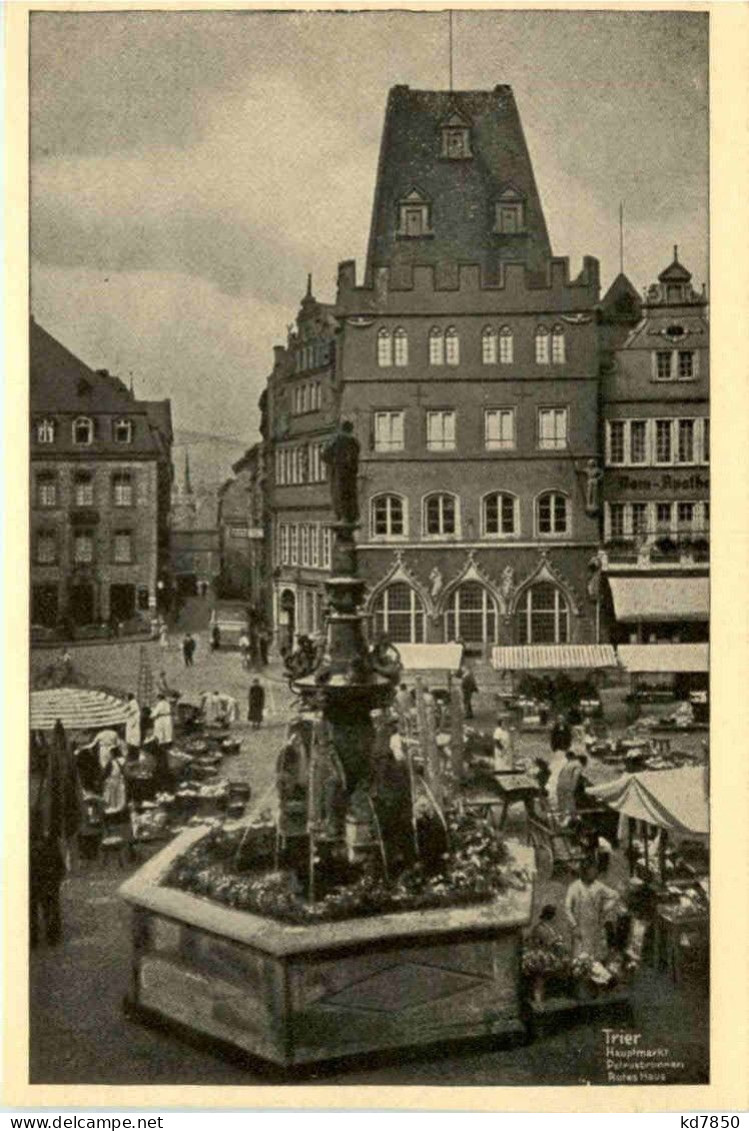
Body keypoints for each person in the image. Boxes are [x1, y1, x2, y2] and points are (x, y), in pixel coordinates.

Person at [565, 858, 620, 960]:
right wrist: (574, 925)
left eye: (595, 871)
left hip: (594, 925)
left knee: (594, 955)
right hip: (580, 926)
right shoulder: (574, 887)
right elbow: (567, 909)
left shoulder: (598, 886)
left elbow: (615, 895)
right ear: (585, 872)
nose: (595, 874)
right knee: (579, 956)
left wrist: (604, 910)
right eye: (592, 871)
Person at [321, 420, 361, 524]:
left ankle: (341, 517)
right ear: (351, 430)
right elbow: (355, 458)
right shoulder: (355, 442)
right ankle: (351, 517)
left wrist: (333, 462)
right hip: (351, 473)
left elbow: (325, 454)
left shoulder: (336, 440)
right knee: (351, 494)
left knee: (339, 493)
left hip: (339, 471)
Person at [555, 748, 582, 818]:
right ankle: (568, 816)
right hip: (565, 785)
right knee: (566, 802)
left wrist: (572, 787)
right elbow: (573, 776)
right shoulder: (572, 764)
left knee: (566, 802)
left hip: (564, 785)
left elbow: (575, 776)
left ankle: (569, 817)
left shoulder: (572, 764)